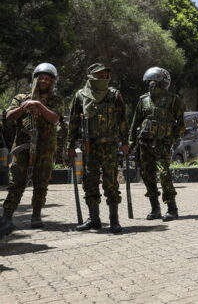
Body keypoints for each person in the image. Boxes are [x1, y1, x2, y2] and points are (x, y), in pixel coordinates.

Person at [0, 63, 63, 233]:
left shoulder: (55, 100)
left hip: (45, 148)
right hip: (22, 147)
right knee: (16, 182)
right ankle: (7, 217)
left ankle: (36, 215)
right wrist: (24, 106)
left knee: (41, 182)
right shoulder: (21, 97)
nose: (44, 81)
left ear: (52, 82)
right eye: (41, 77)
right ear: (35, 79)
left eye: (48, 79)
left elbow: (55, 118)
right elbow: (9, 116)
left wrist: (40, 106)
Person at [67, 63, 129, 234]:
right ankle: (94, 219)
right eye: (100, 75)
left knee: (111, 182)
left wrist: (125, 142)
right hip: (89, 146)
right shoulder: (80, 96)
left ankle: (114, 221)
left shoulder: (114, 95)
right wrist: (70, 145)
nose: (104, 78)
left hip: (109, 146)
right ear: (91, 77)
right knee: (89, 182)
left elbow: (123, 120)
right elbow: (73, 122)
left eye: (106, 75)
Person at [129, 67, 185, 222]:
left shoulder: (173, 100)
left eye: (155, 82)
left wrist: (170, 139)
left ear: (162, 83)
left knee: (164, 174)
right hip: (145, 143)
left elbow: (180, 125)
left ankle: (172, 208)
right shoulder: (143, 100)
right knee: (147, 175)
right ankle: (155, 208)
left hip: (162, 144)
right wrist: (130, 143)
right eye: (149, 82)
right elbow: (135, 123)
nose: (151, 85)